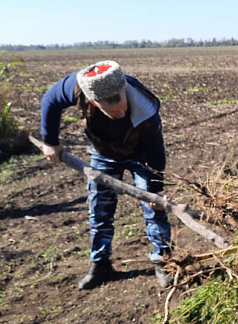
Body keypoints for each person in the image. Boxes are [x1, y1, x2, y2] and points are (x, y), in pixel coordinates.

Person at [40, 60, 173, 290]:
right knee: (99, 209)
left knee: (154, 209)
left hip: (142, 156)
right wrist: (50, 142)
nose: (121, 113)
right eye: (112, 111)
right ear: (93, 101)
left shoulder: (145, 107)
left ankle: (164, 262)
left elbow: (155, 151)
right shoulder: (77, 87)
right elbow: (50, 100)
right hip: (103, 154)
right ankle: (100, 264)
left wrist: (155, 189)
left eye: (122, 105)